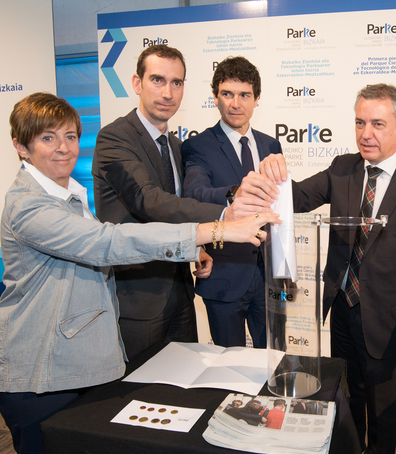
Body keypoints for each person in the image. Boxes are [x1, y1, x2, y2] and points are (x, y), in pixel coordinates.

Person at [0, 93, 276, 454]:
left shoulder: (67, 197)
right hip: (36, 373)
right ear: (20, 145)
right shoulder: (28, 206)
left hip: (73, 364)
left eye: (70, 136)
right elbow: (108, 243)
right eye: (48, 138)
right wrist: (215, 229)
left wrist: (191, 250)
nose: (63, 148)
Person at [259, 83, 396, 454]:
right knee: (352, 398)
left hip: (388, 324)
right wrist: (268, 177)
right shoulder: (343, 168)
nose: (366, 133)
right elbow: (297, 197)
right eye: (360, 122)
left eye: (378, 124)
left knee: (382, 409)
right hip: (342, 311)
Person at [92, 45, 275, 359]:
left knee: (185, 381)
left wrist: (197, 248)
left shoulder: (176, 146)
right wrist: (225, 215)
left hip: (181, 291)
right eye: (158, 80)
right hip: (140, 296)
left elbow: (179, 205)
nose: (167, 92)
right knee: (140, 383)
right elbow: (148, 201)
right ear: (137, 83)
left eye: (176, 83)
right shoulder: (115, 138)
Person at [181, 56, 282, 349]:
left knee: (273, 359)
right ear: (215, 97)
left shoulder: (271, 145)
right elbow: (195, 193)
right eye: (227, 94)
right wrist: (235, 193)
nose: (235, 104)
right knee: (228, 364)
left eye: (244, 95)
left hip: (269, 275)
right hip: (224, 274)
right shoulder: (198, 146)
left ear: (256, 99)